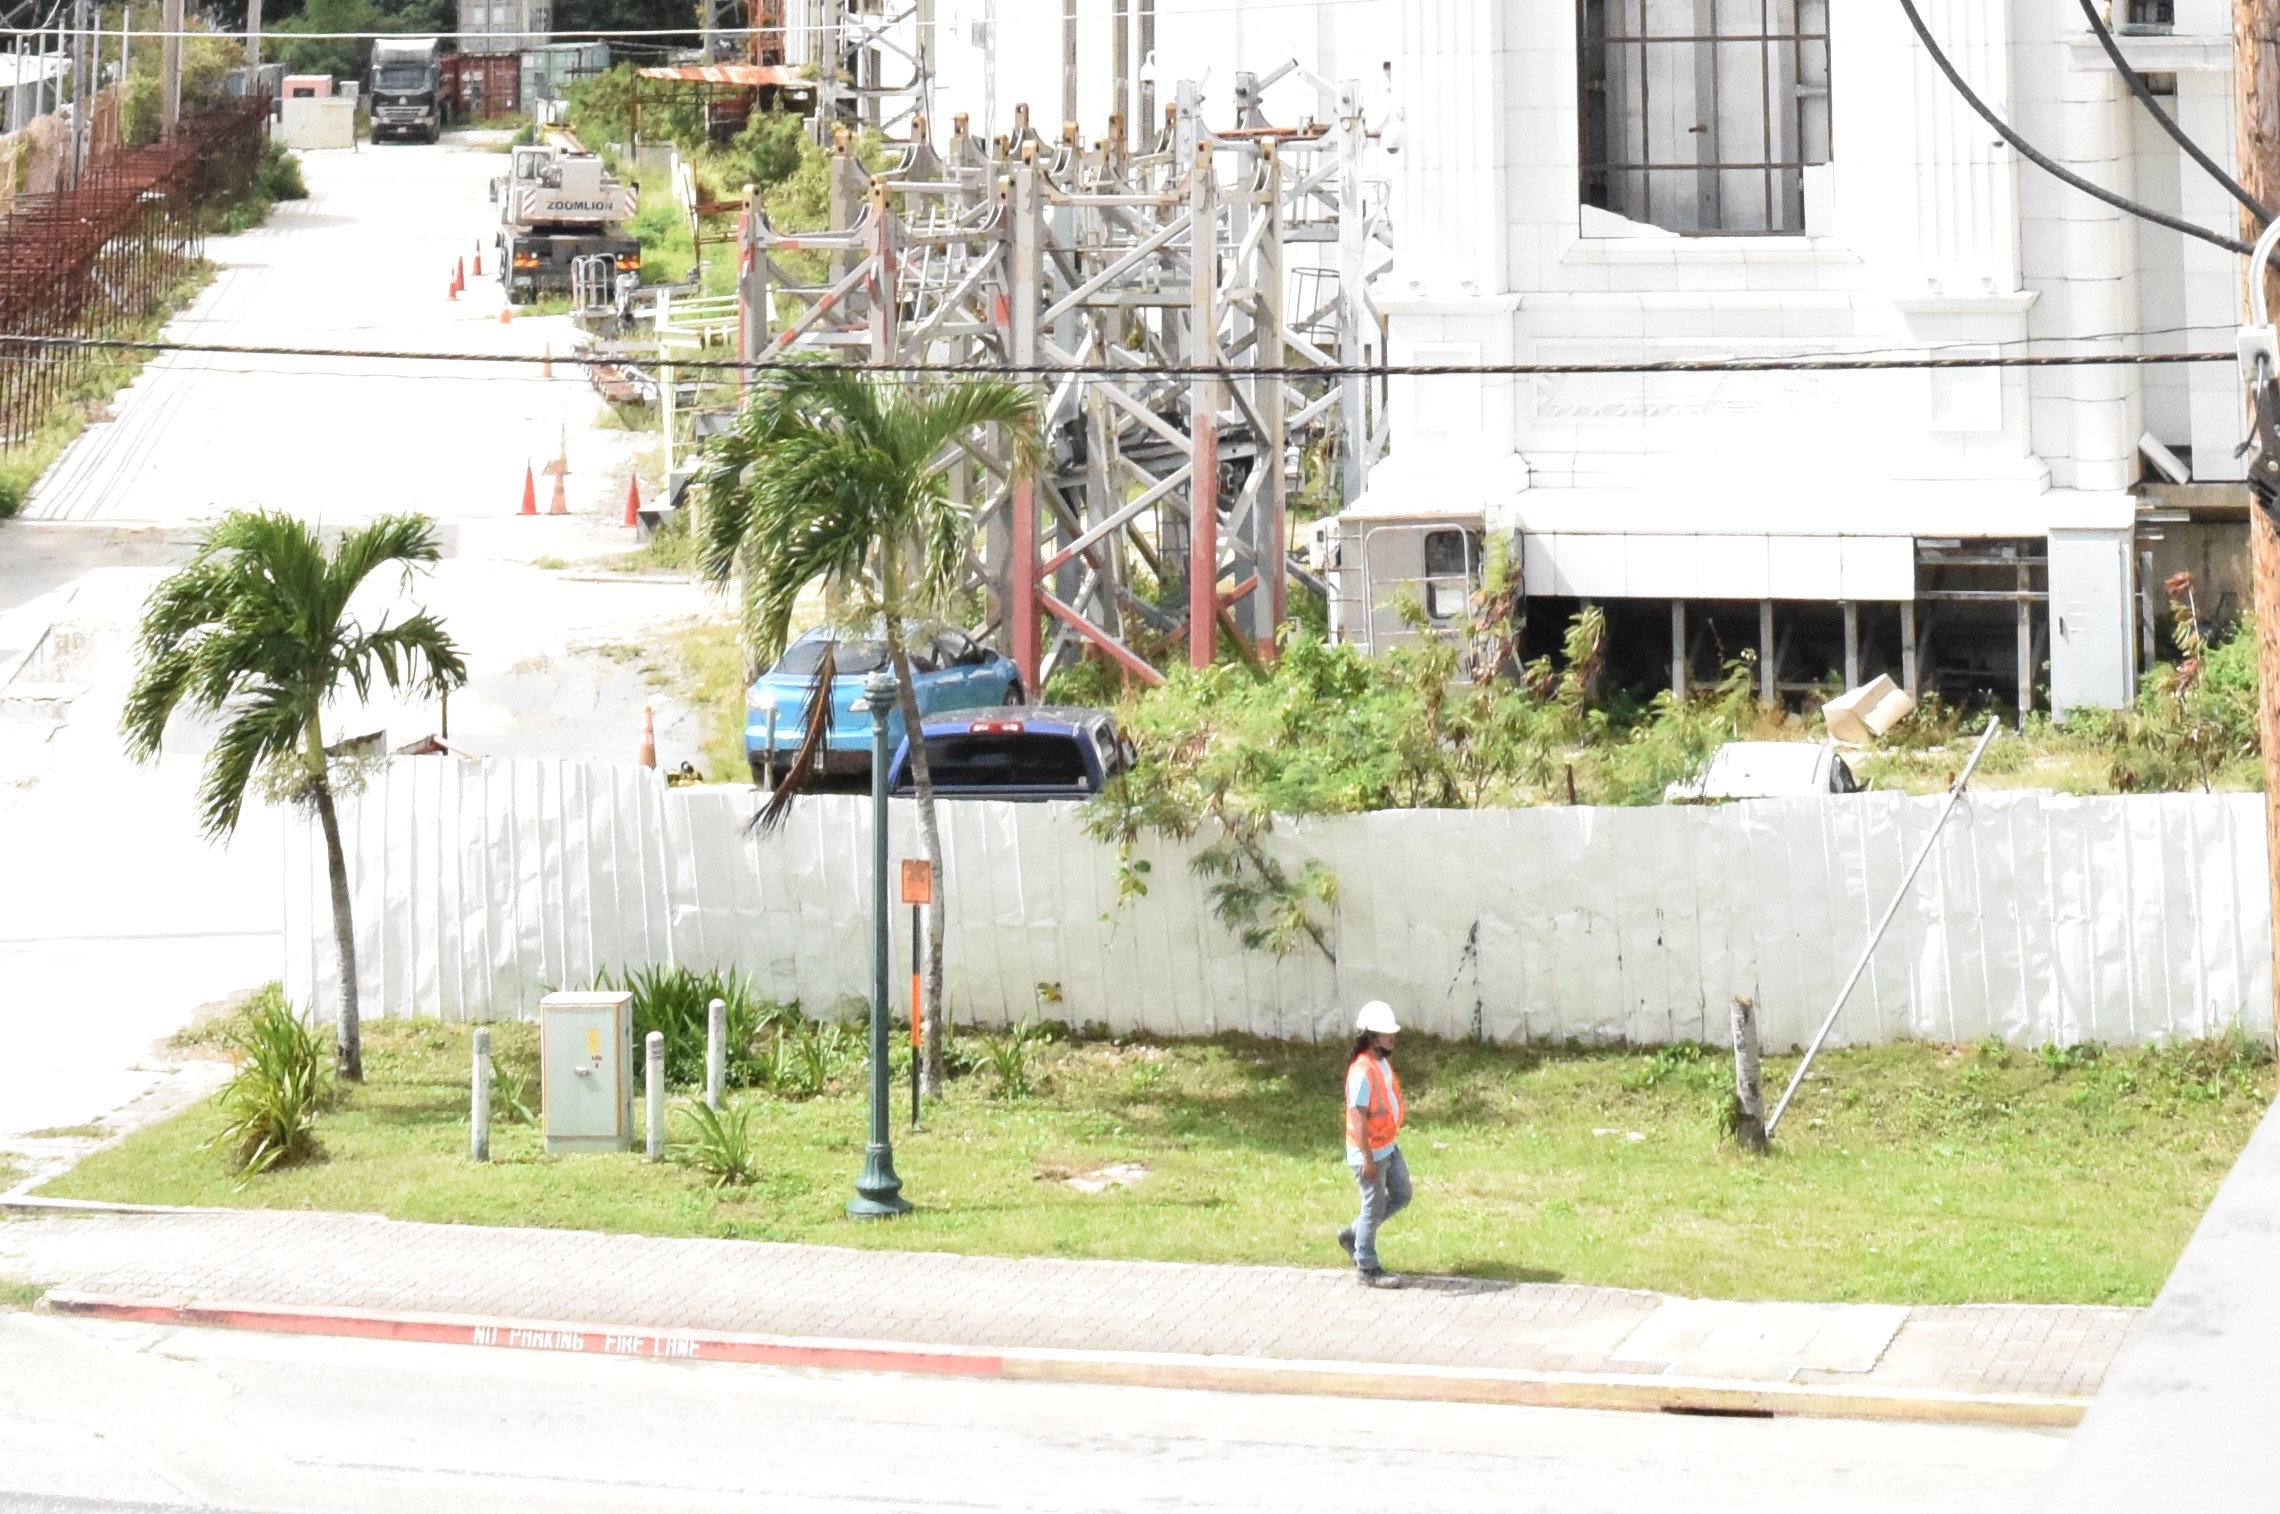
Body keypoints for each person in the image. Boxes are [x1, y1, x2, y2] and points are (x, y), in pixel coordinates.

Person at [1337, 1000, 1409, 1287]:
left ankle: (1354, 1234)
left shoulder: (1380, 1063)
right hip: (1371, 1154)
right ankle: (1366, 1267)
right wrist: (1367, 1159)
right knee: (1373, 1206)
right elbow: (1357, 1117)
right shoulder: (1362, 1070)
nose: (1392, 1038)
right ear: (1370, 1036)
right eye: (1385, 1034)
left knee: (1401, 1194)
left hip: (1387, 1147)